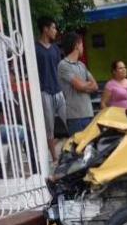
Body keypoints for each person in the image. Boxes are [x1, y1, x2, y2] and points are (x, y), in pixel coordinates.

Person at [34, 17, 64, 161]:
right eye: (53, 28)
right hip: (44, 91)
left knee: (68, 120)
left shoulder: (56, 49)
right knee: (49, 128)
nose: (55, 31)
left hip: (58, 90)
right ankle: (54, 157)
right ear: (45, 29)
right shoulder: (35, 48)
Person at [57, 32, 98, 135]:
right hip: (75, 117)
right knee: (78, 149)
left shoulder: (82, 65)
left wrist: (83, 85)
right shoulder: (63, 65)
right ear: (76, 45)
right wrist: (85, 85)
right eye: (82, 45)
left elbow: (95, 86)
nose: (83, 48)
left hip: (88, 113)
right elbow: (79, 86)